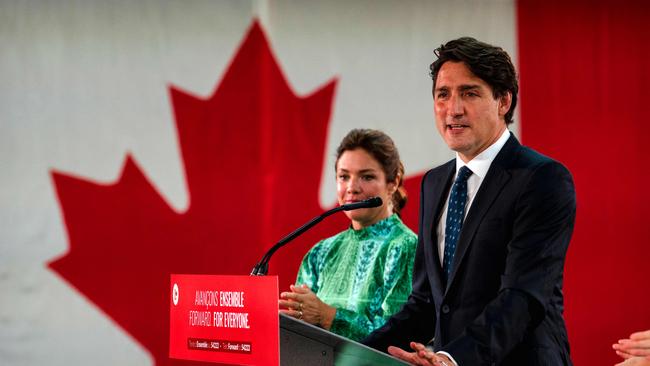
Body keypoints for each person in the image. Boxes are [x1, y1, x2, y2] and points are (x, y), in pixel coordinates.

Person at [362, 37, 576, 366]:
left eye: (470, 93)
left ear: (504, 101)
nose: (453, 109)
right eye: (443, 95)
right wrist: (353, 353)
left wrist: (452, 357)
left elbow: (522, 296)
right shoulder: (434, 183)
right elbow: (426, 302)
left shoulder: (542, 179)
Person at [278, 129, 418, 341]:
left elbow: (397, 336)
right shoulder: (321, 252)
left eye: (367, 176)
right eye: (344, 177)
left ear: (394, 182)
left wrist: (328, 316)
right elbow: (297, 332)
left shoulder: (405, 246)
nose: (352, 188)